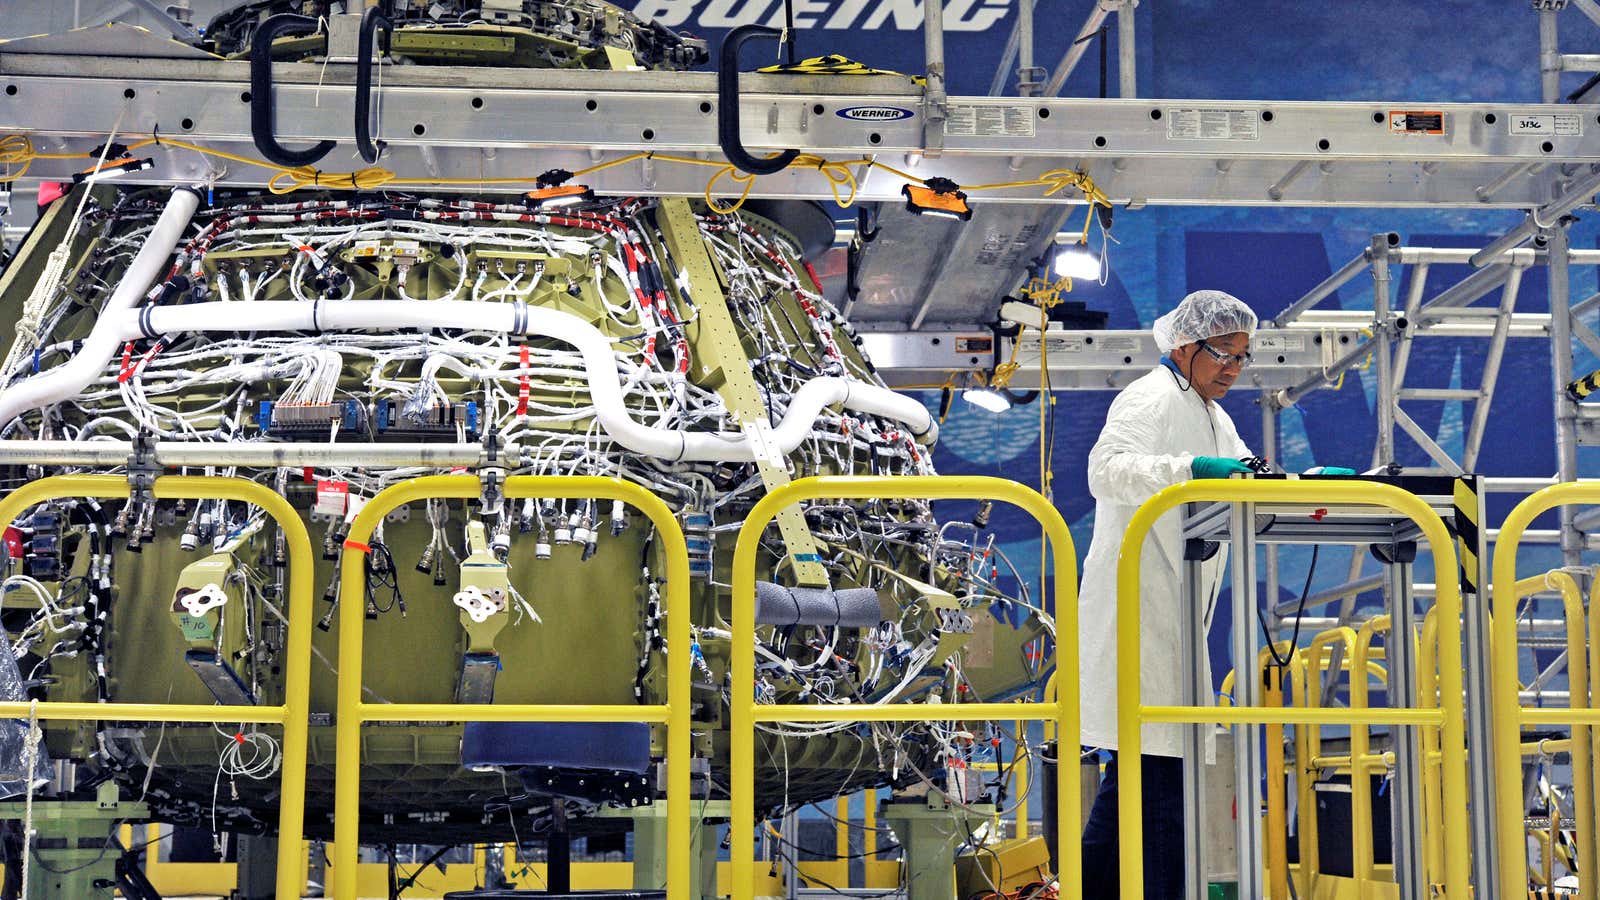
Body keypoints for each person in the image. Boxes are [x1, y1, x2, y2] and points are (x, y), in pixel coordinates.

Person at [1076, 289, 1259, 898]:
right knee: (1158, 790)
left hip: (1176, 618)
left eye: (1242, 357)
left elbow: (1244, 470)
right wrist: (1188, 471)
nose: (1232, 368)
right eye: (1222, 353)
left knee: (1143, 784)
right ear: (1184, 346)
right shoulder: (1149, 397)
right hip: (1139, 610)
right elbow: (1106, 471)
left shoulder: (1214, 415)